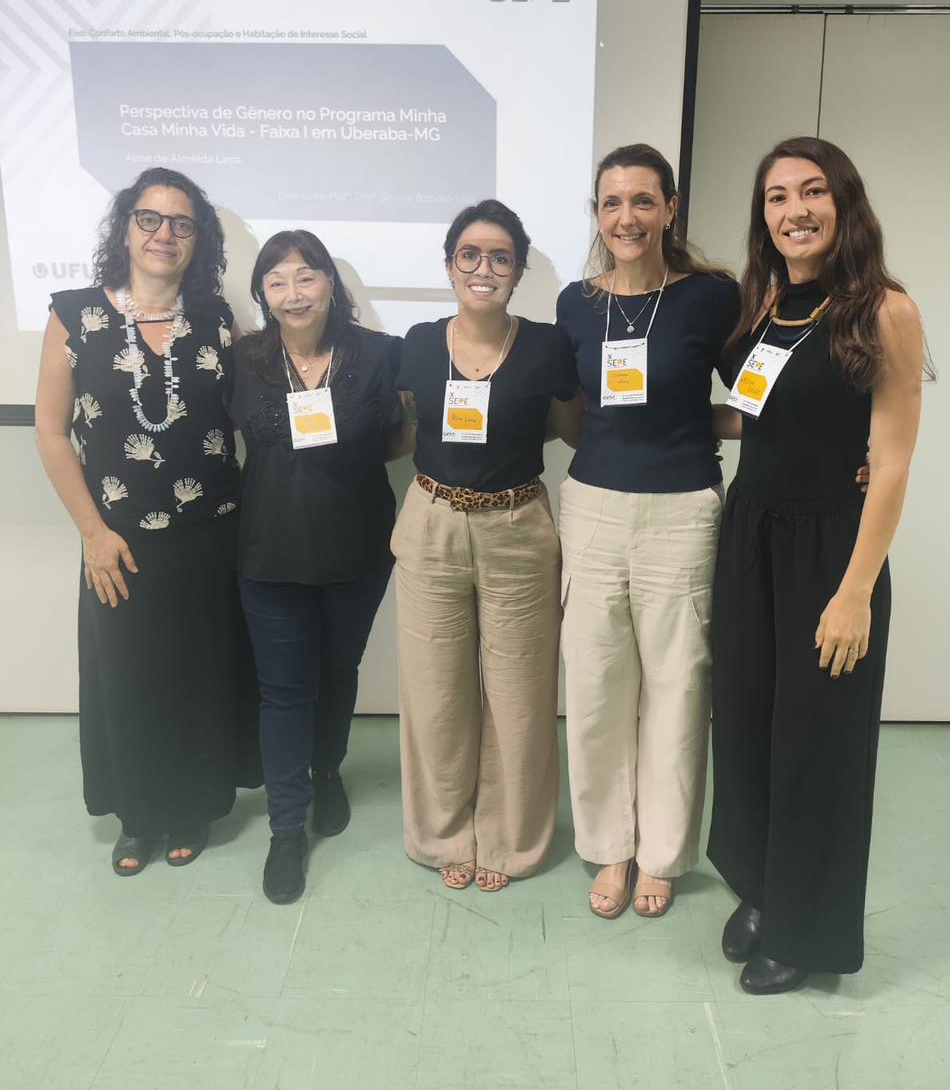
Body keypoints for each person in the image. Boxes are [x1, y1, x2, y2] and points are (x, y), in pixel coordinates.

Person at [708, 137, 924, 994]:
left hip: (832, 552)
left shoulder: (884, 311)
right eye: (776, 196)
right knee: (749, 727)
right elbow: (756, 415)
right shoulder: (765, 305)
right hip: (750, 538)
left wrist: (856, 592)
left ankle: (806, 931)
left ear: (845, 203)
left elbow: (893, 463)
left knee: (816, 748)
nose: (794, 210)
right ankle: (764, 890)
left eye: (812, 191)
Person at [35, 167, 259, 875]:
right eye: (150, 219)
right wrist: (92, 533)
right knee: (129, 680)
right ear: (126, 228)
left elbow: (255, 415)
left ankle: (193, 807)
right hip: (118, 544)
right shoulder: (75, 315)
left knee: (199, 677)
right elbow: (51, 432)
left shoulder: (217, 321)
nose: (166, 234)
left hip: (210, 539)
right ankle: (138, 817)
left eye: (182, 223)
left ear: (199, 240)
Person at [555, 144, 741, 919]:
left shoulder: (712, 297)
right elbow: (575, 415)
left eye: (642, 201)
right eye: (612, 202)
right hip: (593, 507)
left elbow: (755, 396)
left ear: (669, 209)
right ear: (596, 214)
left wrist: (814, 440)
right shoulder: (575, 303)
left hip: (682, 511)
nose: (626, 217)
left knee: (676, 688)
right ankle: (611, 847)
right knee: (597, 687)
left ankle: (661, 854)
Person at [391, 199, 580, 891]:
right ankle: (444, 834)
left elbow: (569, 428)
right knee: (436, 693)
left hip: (517, 528)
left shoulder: (548, 346)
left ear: (518, 270)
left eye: (501, 257)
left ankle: (511, 839)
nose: (484, 268)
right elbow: (407, 430)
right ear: (449, 265)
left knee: (520, 696)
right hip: (431, 524)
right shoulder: (417, 343)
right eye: (470, 254)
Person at [229, 230, 401, 904]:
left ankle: (327, 770)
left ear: (331, 283)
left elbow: (401, 433)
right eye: (277, 281)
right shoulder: (242, 359)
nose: (294, 293)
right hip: (269, 553)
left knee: (338, 671)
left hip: (357, 549)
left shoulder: (379, 354)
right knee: (284, 691)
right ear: (262, 295)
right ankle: (286, 828)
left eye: (306, 276)